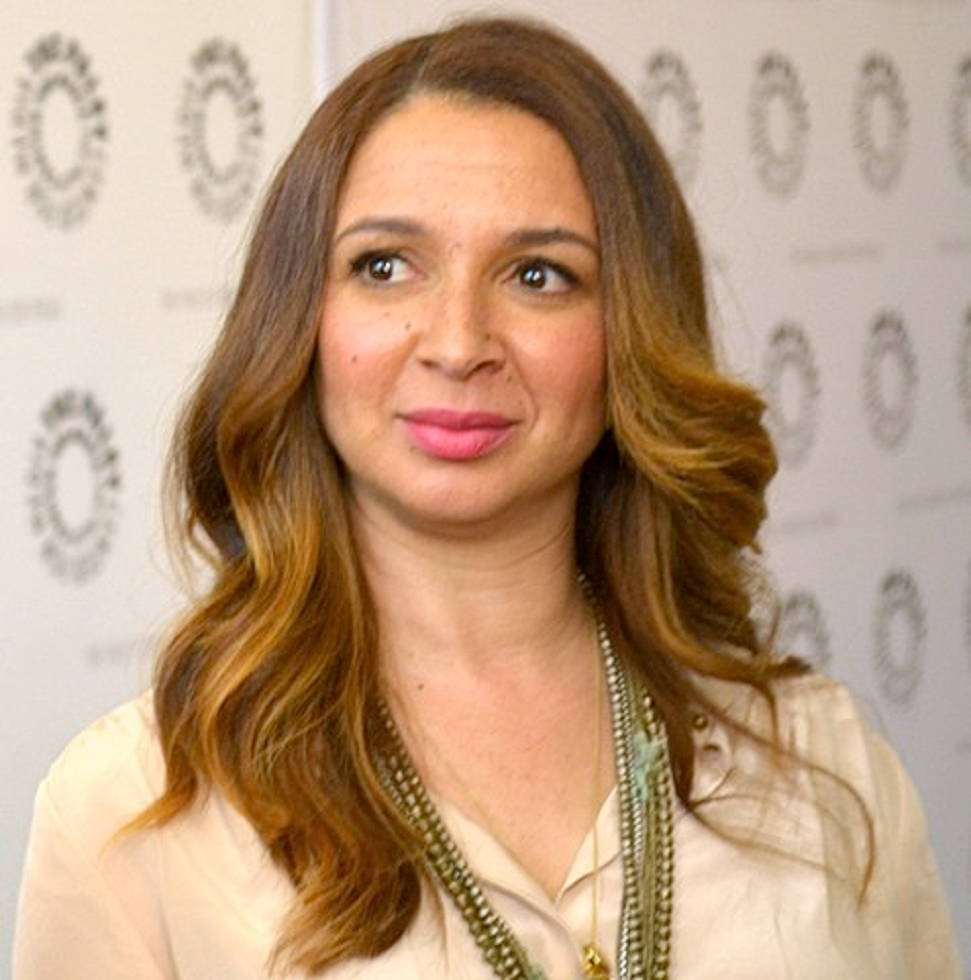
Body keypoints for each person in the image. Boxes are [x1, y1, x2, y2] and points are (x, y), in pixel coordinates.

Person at [13, 16, 961, 980]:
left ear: (627, 334)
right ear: (298, 317)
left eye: (538, 275)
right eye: (384, 266)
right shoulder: (129, 809)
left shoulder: (822, 762)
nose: (458, 341)